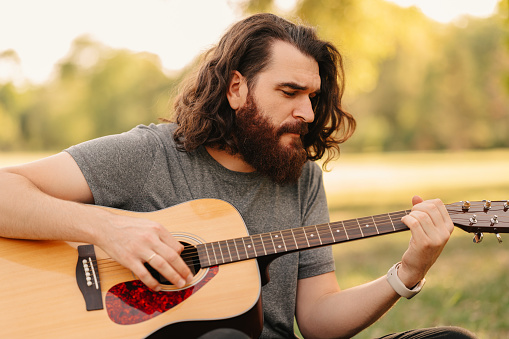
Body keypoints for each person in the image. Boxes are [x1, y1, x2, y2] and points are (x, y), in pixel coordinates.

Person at [0, 13, 476, 339]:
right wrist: (109, 228)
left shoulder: (302, 179)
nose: (307, 112)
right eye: (290, 92)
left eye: (312, 96)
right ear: (236, 88)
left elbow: (316, 318)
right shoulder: (149, 154)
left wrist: (408, 270)